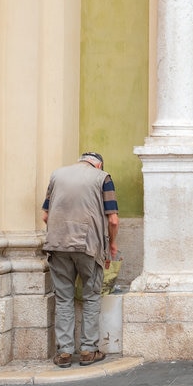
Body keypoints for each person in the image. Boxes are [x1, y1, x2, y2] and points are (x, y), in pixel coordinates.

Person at [42, 152, 119, 368]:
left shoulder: (57, 175)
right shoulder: (103, 178)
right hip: (88, 245)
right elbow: (113, 219)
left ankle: (64, 352)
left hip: (58, 244)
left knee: (63, 298)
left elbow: (46, 215)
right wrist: (111, 244)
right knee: (91, 296)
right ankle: (88, 350)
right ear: (98, 164)